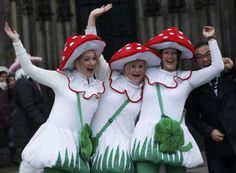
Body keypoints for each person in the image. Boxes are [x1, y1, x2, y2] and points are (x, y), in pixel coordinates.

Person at [4, 19, 106, 173]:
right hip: (57, 144)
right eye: (86, 59)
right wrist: (17, 41)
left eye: (93, 58)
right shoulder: (62, 79)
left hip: (79, 146)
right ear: (77, 62)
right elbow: (30, 69)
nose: (92, 62)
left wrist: (92, 19)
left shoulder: (97, 85)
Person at [130, 26, 224, 173]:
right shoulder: (146, 72)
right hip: (146, 136)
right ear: (160, 55)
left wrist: (211, 38)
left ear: (179, 57)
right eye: (166, 52)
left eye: (174, 53)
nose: (170, 56)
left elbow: (218, 66)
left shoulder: (187, 78)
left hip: (175, 138)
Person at [85, 5, 157, 173]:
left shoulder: (147, 92)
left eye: (140, 66)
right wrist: (92, 18)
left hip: (124, 151)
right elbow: (95, 52)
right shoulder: (109, 78)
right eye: (133, 66)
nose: (137, 70)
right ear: (125, 67)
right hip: (100, 148)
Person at [185, 42, 236, 173]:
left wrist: (234, 68)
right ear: (195, 62)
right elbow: (192, 117)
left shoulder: (230, 75)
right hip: (216, 146)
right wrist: (209, 131)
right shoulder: (194, 85)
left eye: (209, 54)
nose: (205, 59)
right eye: (200, 57)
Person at [8, 57, 48, 164]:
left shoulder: (29, 82)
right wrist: (42, 122)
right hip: (26, 127)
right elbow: (28, 106)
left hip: (29, 125)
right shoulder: (23, 83)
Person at [0, 66, 10, 148]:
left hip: (7, 114)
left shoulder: (8, 87)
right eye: (2, 76)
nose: (4, 77)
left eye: (5, 76)